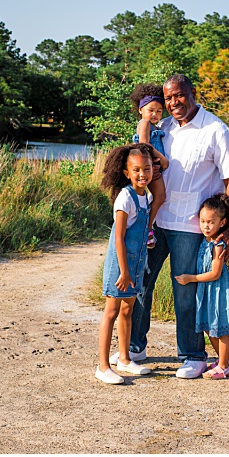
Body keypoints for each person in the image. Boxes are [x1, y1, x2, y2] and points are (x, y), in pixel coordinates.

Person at [117, 73, 229, 380]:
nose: (173, 103)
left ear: (193, 93)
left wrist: (228, 231)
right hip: (155, 221)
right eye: (168, 97)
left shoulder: (216, 130)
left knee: (185, 291)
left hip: (190, 226)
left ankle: (193, 355)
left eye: (179, 96)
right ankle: (134, 348)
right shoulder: (163, 127)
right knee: (141, 284)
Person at [95, 144, 158, 384]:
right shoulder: (125, 197)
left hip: (136, 263)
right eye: (137, 170)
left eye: (147, 168)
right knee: (111, 312)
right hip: (121, 267)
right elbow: (119, 237)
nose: (142, 174)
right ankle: (102, 366)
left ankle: (124, 358)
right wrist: (123, 271)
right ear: (126, 173)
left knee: (128, 310)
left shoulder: (147, 196)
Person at [175, 194, 229, 380]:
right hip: (207, 291)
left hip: (217, 291)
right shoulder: (205, 241)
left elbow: (215, 273)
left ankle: (223, 367)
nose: (206, 226)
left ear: (222, 222)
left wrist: (190, 278)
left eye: (211, 222)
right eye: (203, 221)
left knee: (220, 329)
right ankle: (223, 361)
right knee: (208, 327)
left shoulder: (218, 244)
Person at [129, 84, 170, 248]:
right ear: (141, 110)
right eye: (151, 110)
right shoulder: (144, 123)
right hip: (149, 168)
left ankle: (146, 227)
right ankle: (146, 229)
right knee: (159, 197)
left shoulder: (156, 126)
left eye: (159, 111)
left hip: (153, 168)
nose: (155, 114)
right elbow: (144, 145)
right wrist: (163, 159)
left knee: (155, 197)